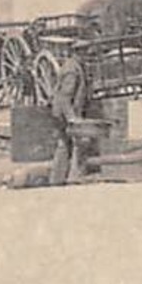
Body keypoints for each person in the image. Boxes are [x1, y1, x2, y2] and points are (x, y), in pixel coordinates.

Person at [48, 51, 92, 187]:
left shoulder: (74, 66)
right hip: (65, 113)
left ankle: (57, 178)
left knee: (64, 144)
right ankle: (75, 177)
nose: (88, 56)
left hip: (61, 112)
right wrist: (72, 119)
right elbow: (65, 97)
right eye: (86, 53)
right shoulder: (72, 70)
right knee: (81, 141)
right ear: (78, 54)